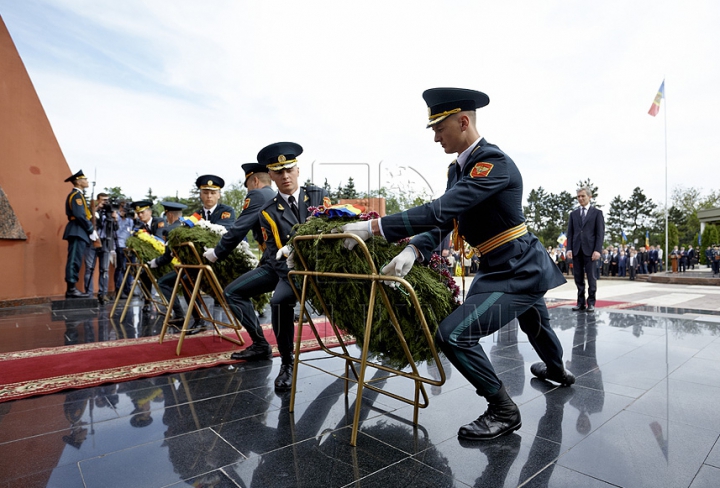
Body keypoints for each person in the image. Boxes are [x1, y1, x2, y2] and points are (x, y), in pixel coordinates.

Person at [340, 88, 574, 441]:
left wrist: (375, 227)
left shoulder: (493, 164)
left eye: (439, 128)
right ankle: (557, 369)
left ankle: (503, 410)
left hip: (517, 269)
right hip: (501, 264)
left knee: (455, 334)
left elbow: (439, 210)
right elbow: (444, 221)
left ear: (463, 122)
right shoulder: (458, 171)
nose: (435, 137)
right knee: (536, 323)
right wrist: (415, 250)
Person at [223, 143, 330, 390]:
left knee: (279, 301)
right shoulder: (268, 210)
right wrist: (289, 275)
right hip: (283, 268)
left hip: (316, 266)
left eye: (289, 169)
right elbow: (273, 251)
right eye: (278, 172)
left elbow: (327, 234)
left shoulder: (316, 195)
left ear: (297, 170)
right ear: (270, 175)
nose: (285, 176)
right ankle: (284, 361)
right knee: (241, 293)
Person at [566, 187, 605, 312]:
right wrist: (569, 249)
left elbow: (600, 233)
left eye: (583, 196)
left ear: (590, 197)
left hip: (591, 251)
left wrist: (597, 250)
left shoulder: (597, 213)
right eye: (578, 196)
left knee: (591, 278)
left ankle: (591, 303)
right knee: (578, 278)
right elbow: (570, 234)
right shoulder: (573, 214)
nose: (580, 199)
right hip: (576, 250)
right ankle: (580, 303)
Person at [62, 169, 98, 298]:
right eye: (85, 179)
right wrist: (90, 229)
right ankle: (71, 289)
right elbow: (79, 215)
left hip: (79, 230)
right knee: (74, 260)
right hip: (77, 230)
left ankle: (72, 288)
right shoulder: (76, 196)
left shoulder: (80, 195)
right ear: (78, 181)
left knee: (76, 260)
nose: (87, 181)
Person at [83, 192, 117, 304]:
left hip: (105, 243)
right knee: (89, 269)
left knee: (105, 270)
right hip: (92, 243)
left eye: (107, 200)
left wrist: (115, 218)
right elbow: (86, 221)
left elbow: (115, 228)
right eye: (103, 200)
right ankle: (89, 294)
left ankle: (103, 294)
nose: (105, 202)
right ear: (98, 200)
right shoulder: (91, 209)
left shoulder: (109, 212)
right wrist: (96, 209)